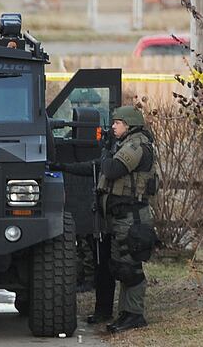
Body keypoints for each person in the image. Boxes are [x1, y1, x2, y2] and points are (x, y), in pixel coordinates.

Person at [51, 106, 158, 333]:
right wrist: (61, 167)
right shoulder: (123, 146)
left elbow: (110, 169)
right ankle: (124, 313)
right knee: (118, 266)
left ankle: (134, 314)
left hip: (132, 217)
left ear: (129, 125)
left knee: (130, 267)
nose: (113, 127)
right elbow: (96, 168)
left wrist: (106, 149)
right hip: (118, 217)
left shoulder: (136, 146)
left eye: (117, 123)